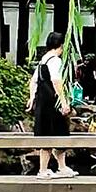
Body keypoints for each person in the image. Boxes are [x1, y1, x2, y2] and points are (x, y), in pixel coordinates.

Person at [26, 30, 75, 177]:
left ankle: (62, 167)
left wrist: (32, 98)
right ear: (60, 45)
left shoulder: (43, 60)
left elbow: (33, 81)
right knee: (52, 134)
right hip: (52, 103)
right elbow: (56, 81)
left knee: (58, 132)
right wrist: (64, 101)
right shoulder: (55, 60)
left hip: (42, 102)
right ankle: (43, 170)